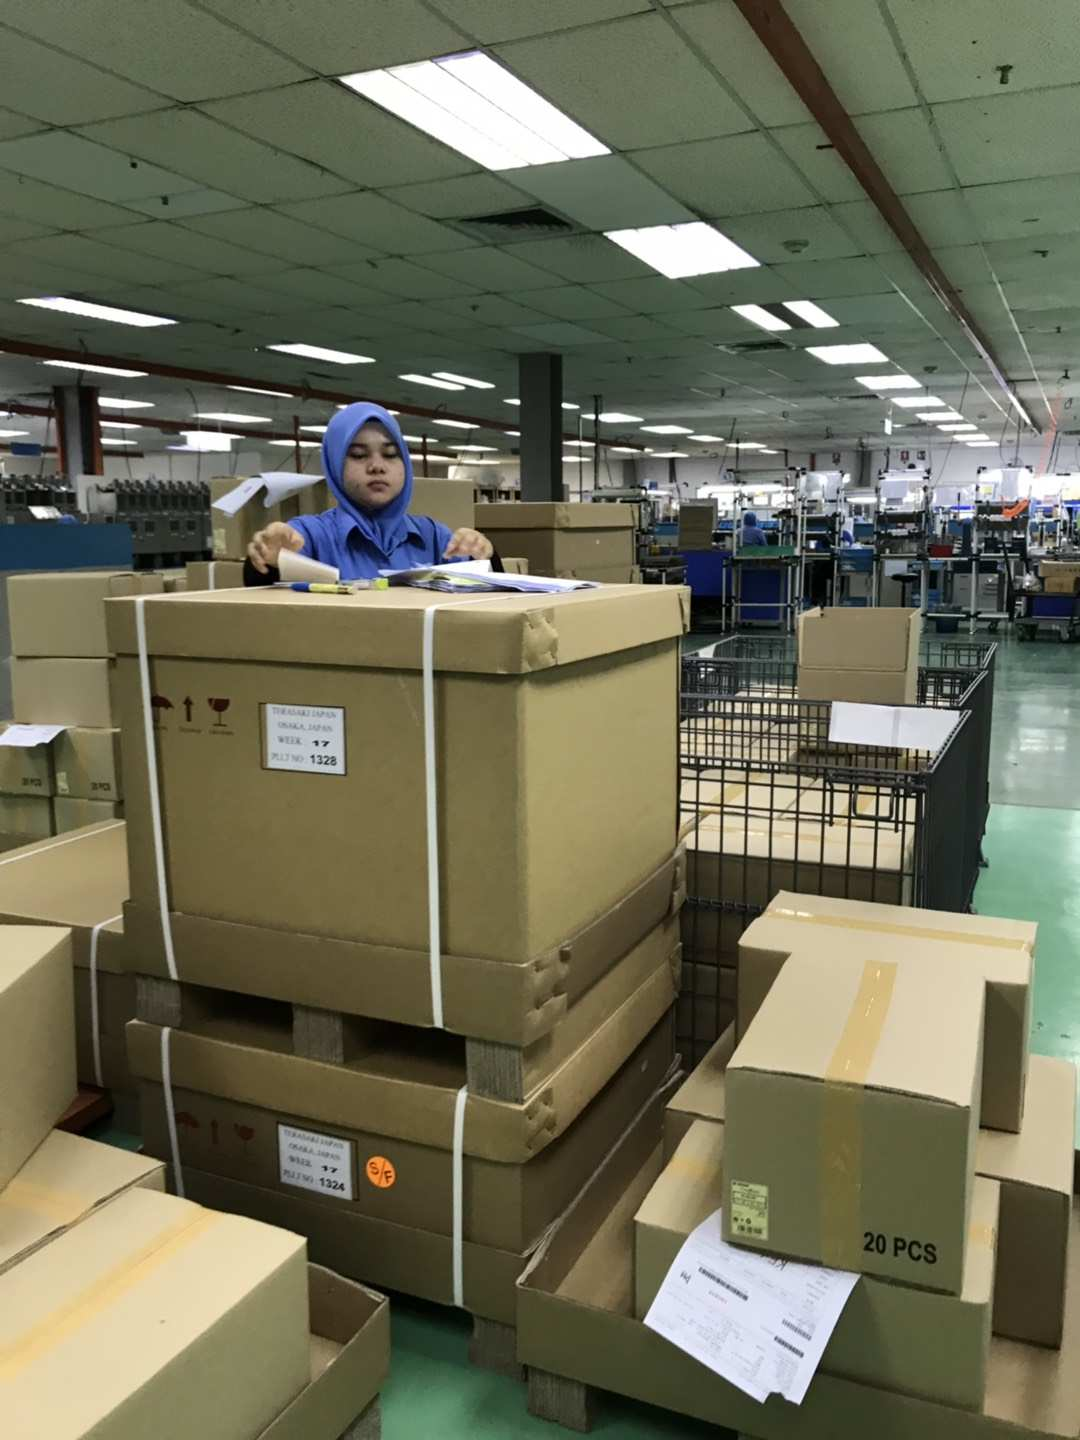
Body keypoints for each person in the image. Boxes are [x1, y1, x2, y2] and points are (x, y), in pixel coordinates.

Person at [246, 401, 494, 581]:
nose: (377, 466)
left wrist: (483, 555)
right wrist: (267, 558)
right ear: (335, 465)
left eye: (390, 455)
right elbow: (266, 593)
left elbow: (484, 592)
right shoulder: (311, 536)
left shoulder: (434, 538)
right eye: (358, 455)